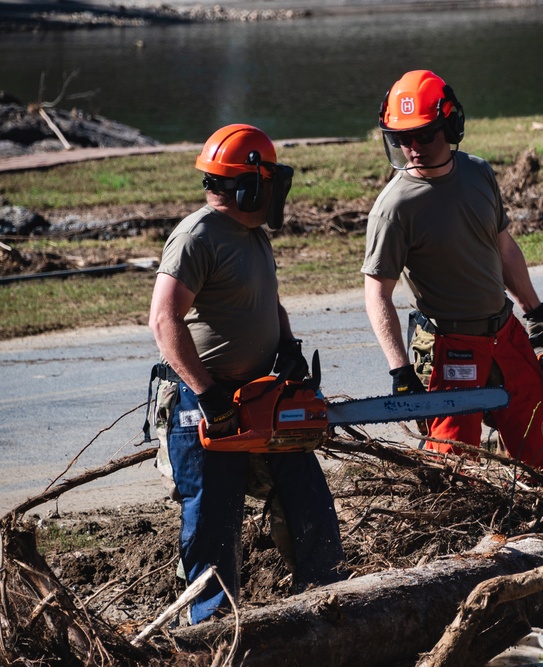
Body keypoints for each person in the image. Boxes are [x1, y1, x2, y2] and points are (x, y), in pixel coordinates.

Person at [148, 123, 345, 624]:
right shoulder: (197, 236)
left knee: (308, 501)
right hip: (209, 404)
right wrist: (207, 393)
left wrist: (289, 346)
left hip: (265, 395)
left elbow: (269, 301)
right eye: (268, 180)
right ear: (247, 185)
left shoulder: (254, 236)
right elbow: (164, 318)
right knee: (212, 520)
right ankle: (211, 629)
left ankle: (326, 602)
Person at [361, 70, 543, 472]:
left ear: (451, 125)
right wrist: (400, 369)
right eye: (402, 139)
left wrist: (535, 311)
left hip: (505, 332)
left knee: (538, 449)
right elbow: (377, 293)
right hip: (449, 344)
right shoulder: (394, 208)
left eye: (424, 134)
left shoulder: (478, 172)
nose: (413, 147)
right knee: (454, 467)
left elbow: (504, 247)